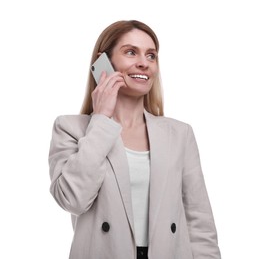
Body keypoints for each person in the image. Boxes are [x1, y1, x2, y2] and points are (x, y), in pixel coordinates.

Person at [48, 20, 221, 259]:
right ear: (102, 62)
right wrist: (101, 120)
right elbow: (72, 199)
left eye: (151, 56)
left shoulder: (179, 134)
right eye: (131, 52)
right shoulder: (71, 129)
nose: (144, 62)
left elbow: (199, 223)